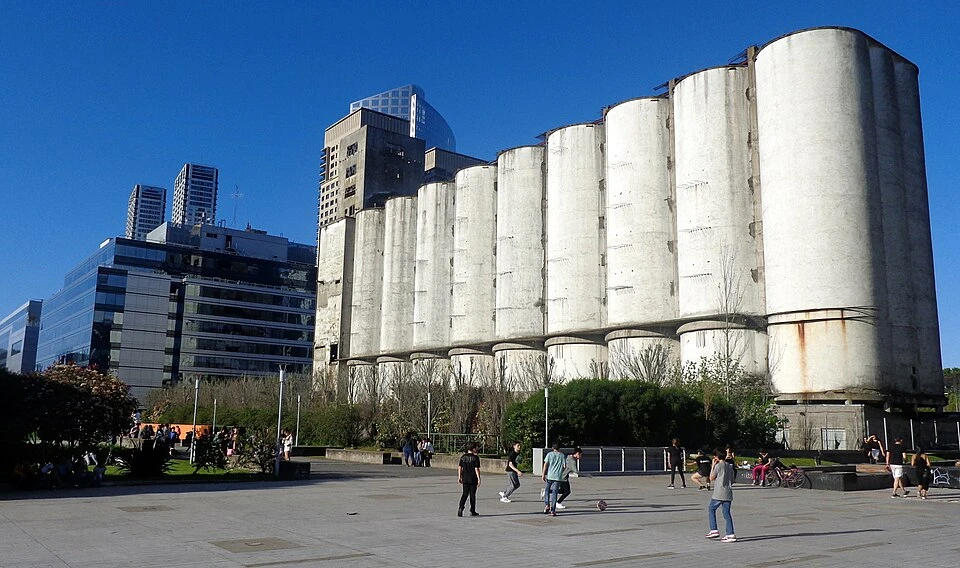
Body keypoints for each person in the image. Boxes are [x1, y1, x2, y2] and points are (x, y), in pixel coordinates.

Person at [705, 448, 736, 543]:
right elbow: (732, 479)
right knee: (726, 513)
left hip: (719, 492)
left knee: (711, 508)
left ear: (717, 457)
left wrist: (713, 466)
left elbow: (711, 477)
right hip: (728, 492)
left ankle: (714, 529)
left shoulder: (718, 466)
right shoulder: (730, 466)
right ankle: (730, 534)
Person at [457, 442, 482, 517]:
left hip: (465, 477)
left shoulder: (463, 457)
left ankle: (461, 507)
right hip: (473, 478)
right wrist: (479, 478)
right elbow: (476, 469)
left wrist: (459, 476)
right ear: (473, 449)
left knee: (464, 494)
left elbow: (460, 467)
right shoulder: (475, 458)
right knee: (472, 495)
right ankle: (472, 510)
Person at [542, 441, 566, 516]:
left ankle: (547, 505)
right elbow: (564, 466)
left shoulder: (549, 454)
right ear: (559, 448)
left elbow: (545, 465)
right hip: (558, 476)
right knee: (555, 493)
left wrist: (543, 474)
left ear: (552, 448)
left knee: (547, 490)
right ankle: (553, 510)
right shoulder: (562, 455)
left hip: (550, 475)